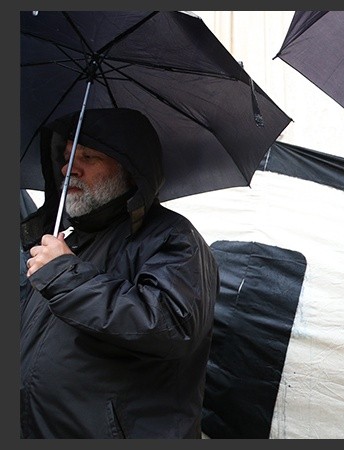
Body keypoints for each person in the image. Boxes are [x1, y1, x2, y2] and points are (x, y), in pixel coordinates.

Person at [20, 108, 219, 438]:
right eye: (67, 157)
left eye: (88, 156)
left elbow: (169, 324)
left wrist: (63, 275)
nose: (69, 169)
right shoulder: (70, 240)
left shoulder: (172, 238)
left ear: (129, 168)